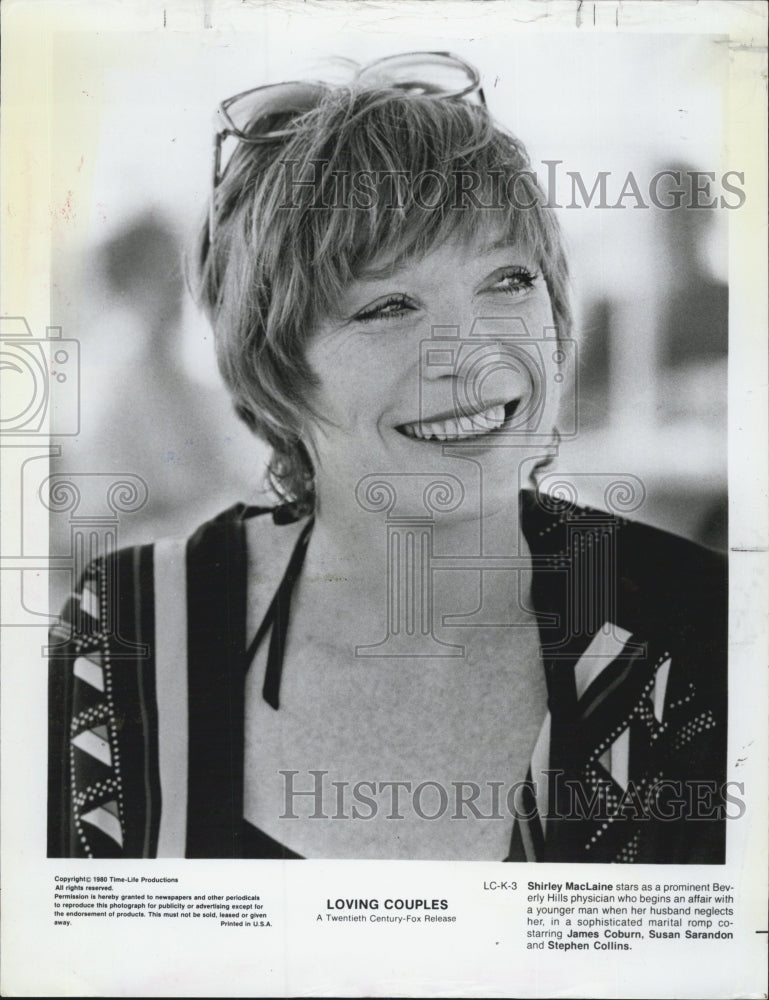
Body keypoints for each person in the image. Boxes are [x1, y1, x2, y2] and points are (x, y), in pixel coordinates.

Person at [48, 52, 727, 862]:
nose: (472, 356)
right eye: (387, 305)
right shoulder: (129, 634)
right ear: (274, 366)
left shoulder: (705, 629)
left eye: (508, 281)